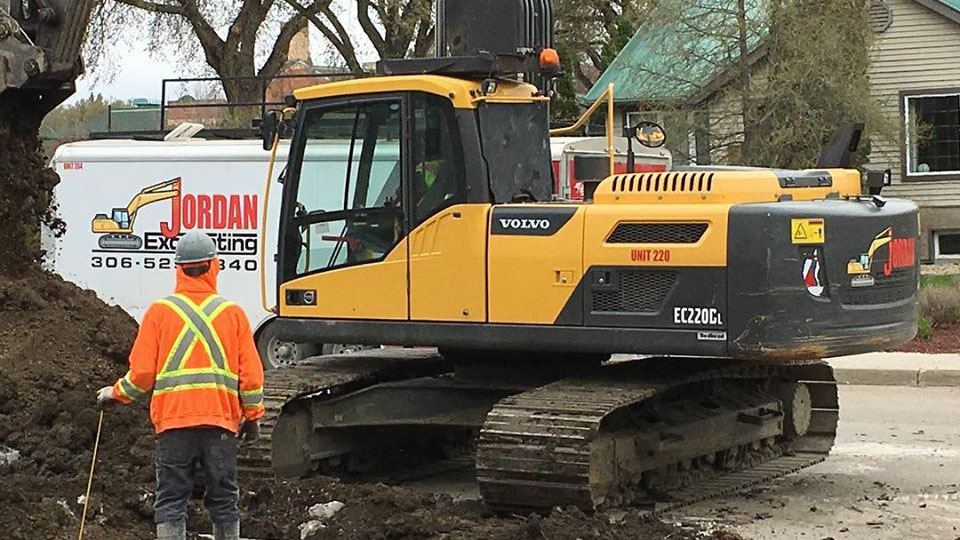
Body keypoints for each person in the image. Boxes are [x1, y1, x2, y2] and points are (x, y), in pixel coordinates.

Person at [96, 230, 265, 540]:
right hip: (220, 426)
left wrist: (114, 395)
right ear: (214, 266)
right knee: (225, 499)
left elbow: (142, 375)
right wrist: (252, 416)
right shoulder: (233, 314)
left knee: (172, 500)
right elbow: (252, 377)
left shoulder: (160, 313)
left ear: (178, 268)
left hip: (173, 425)